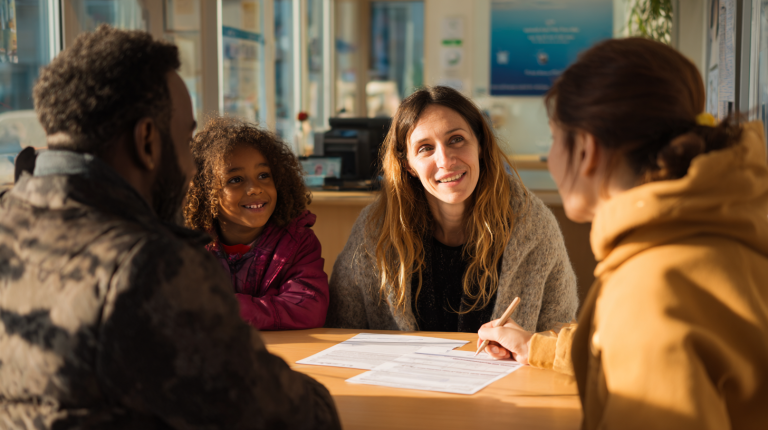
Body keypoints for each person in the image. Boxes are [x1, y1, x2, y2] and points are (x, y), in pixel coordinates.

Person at [0, 26, 340, 429]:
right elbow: (291, 416)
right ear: (147, 140)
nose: (193, 167)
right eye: (186, 138)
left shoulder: (9, 218)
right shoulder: (148, 265)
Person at [477, 38, 768, 429]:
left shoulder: (650, 288)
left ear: (586, 150)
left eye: (553, 138)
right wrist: (536, 348)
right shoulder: (718, 231)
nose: (550, 159)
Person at [326, 86, 578, 333]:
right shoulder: (374, 230)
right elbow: (341, 328)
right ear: (408, 166)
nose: (445, 160)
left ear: (480, 145)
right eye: (425, 148)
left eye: (456, 139)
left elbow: (561, 334)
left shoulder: (532, 224)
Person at [184, 117, 329, 330]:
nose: (255, 188)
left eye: (263, 175)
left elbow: (309, 310)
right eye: (235, 180)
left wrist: (225, 307)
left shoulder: (299, 242)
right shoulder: (188, 245)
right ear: (205, 192)